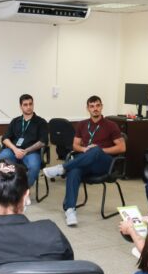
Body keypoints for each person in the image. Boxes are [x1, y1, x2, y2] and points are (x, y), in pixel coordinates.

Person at [43, 96, 126, 226]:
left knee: (96, 150)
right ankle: (70, 210)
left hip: (104, 164)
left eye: (98, 105)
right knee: (75, 170)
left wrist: (100, 150)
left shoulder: (111, 125)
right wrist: (85, 149)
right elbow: (75, 145)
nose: (95, 109)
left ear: (101, 106)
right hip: (87, 162)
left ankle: (62, 168)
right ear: (87, 108)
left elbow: (122, 147)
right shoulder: (82, 124)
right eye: (92, 106)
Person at [0, 94, 48, 190]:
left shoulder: (41, 122)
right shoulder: (15, 121)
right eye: (25, 105)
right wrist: (15, 149)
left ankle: (24, 191)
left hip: (31, 152)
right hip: (12, 151)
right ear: (20, 106)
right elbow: (5, 138)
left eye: (30, 104)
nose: (28, 107)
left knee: (34, 167)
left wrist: (25, 151)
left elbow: (43, 141)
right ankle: (7, 187)